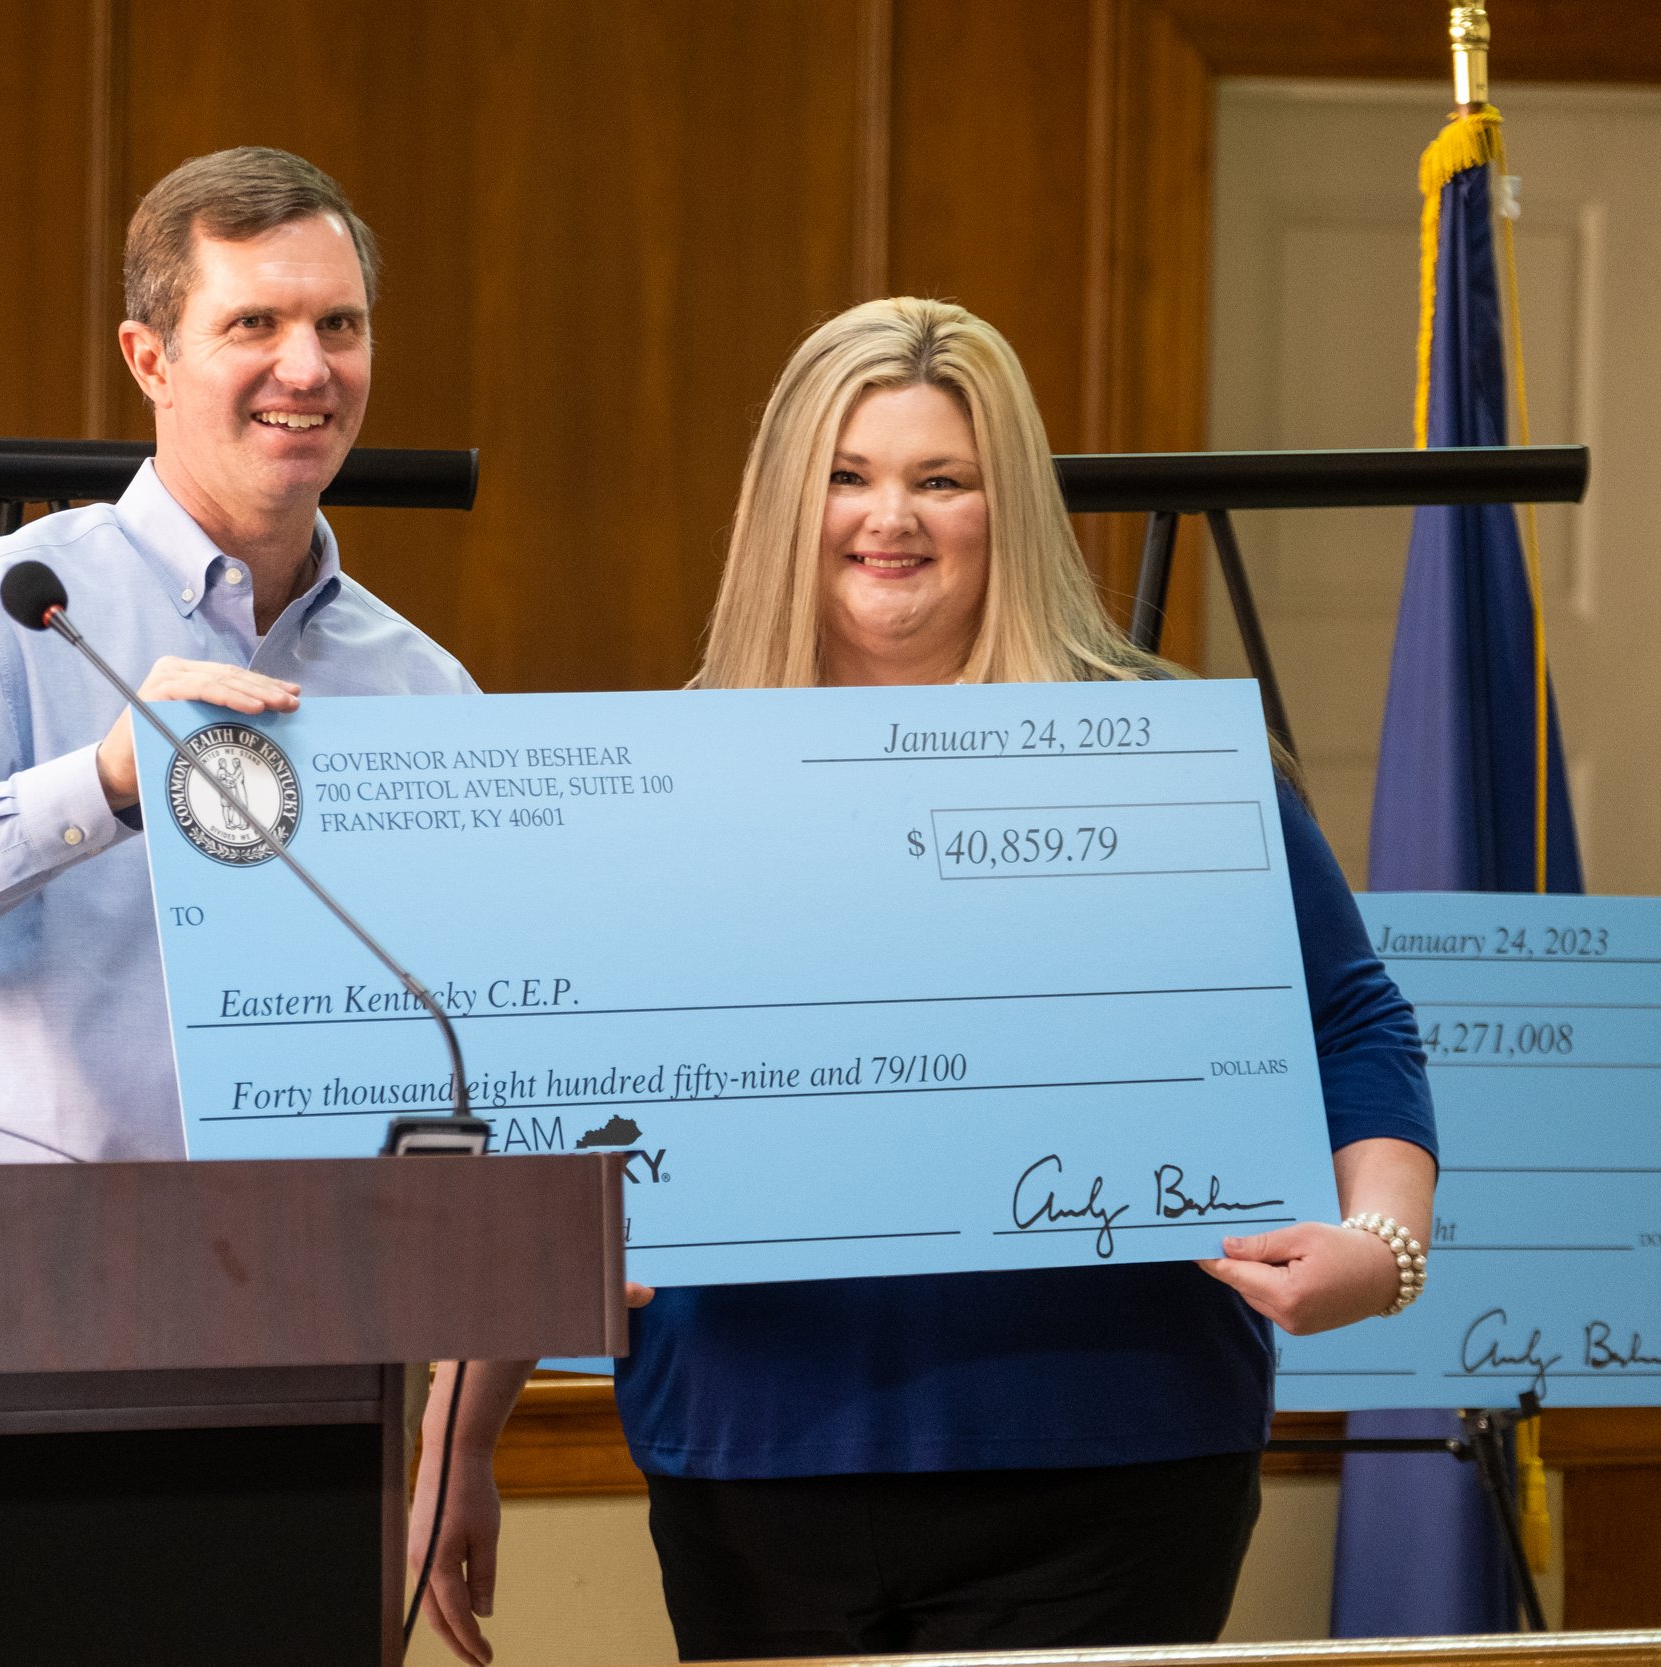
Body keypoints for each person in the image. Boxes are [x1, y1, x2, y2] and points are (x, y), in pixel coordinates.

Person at [410, 298, 1438, 1664]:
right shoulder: (660, 782)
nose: (888, 517)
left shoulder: (1164, 757)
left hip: (1114, 1456)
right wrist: (458, 1437)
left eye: (939, 479)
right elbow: (555, 1110)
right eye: (848, 474)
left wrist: (1384, 1247)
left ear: (1002, 504)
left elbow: (1350, 1011)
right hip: (750, 1459)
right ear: (787, 503)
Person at [0, 147, 474, 1162]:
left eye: (337, 325)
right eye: (253, 323)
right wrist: (98, 787)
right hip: (37, 1294)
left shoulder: (424, 684)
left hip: (341, 1294)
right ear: (149, 360)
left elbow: (483, 1008)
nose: (306, 368)